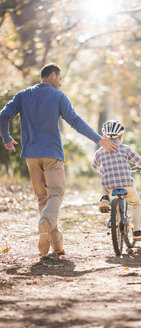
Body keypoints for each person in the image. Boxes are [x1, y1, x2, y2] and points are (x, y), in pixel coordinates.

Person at [0, 63, 118, 256]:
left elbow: (3, 115)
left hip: (31, 155)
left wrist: (6, 138)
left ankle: (56, 243)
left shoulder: (23, 95)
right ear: (53, 75)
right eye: (60, 79)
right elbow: (76, 122)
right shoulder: (58, 97)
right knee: (56, 194)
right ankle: (45, 223)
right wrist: (100, 140)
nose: (61, 84)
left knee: (42, 198)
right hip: (52, 154)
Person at [91, 120, 141, 239]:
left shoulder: (99, 152)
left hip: (109, 185)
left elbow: (94, 167)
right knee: (136, 204)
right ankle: (137, 230)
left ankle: (104, 198)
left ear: (104, 136)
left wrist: (100, 170)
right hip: (126, 184)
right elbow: (138, 160)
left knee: (103, 183)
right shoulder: (125, 149)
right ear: (120, 136)